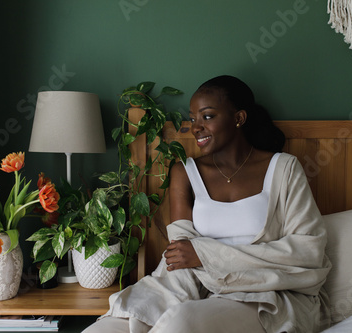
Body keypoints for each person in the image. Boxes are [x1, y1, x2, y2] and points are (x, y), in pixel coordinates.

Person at [83, 75, 331, 333]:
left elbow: (308, 250)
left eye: (207, 116)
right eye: (193, 119)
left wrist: (204, 254)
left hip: (263, 291)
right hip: (191, 282)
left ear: (239, 118)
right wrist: (198, 258)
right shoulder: (184, 172)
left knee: (182, 323)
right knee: (109, 327)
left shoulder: (284, 169)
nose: (196, 127)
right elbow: (181, 255)